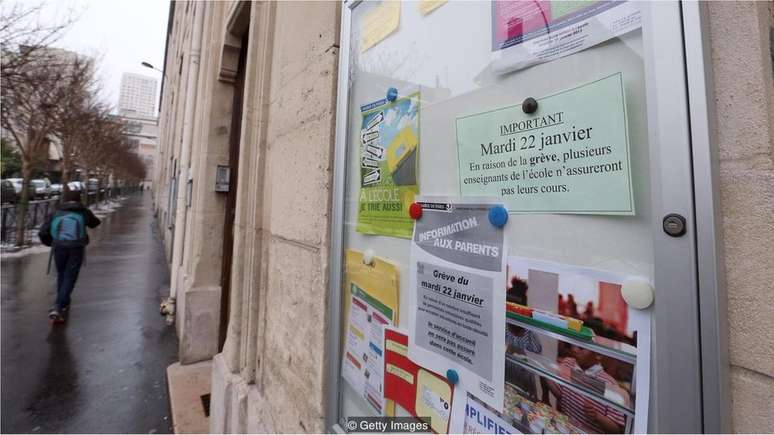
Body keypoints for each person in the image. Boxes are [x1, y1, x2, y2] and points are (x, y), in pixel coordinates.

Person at [39, 188, 101, 322]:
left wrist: (52, 242)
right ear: (79, 199)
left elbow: (43, 232)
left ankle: (63, 302)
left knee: (61, 274)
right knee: (70, 276)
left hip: (59, 247)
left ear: (64, 199)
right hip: (76, 248)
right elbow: (96, 223)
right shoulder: (83, 211)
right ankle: (58, 306)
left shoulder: (57, 211)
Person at [546, 345, 628, 433]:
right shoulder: (568, 363)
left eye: (581, 347)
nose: (574, 350)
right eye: (574, 345)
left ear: (598, 355)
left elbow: (617, 430)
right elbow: (561, 395)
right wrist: (545, 394)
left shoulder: (609, 384)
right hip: (564, 429)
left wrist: (597, 416)